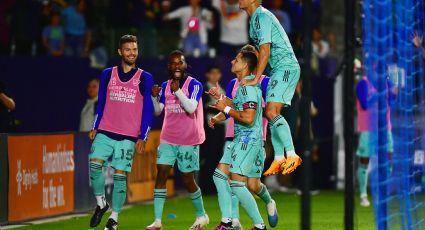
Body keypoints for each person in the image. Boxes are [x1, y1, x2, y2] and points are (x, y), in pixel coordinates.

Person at [88, 35, 154, 230]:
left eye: (134, 49)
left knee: (119, 176)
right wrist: (95, 125)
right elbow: (101, 102)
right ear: (120, 52)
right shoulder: (108, 74)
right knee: (94, 165)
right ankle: (101, 203)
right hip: (106, 130)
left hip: (128, 136)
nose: (132, 53)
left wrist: (143, 136)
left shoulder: (145, 77)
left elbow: (147, 110)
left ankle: (114, 218)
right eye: (128, 50)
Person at [207, 45, 277, 229]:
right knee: (219, 176)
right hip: (239, 139)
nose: (232, 61)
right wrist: (223, 99)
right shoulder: (242, 86)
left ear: (246, 64)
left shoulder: (251, 87)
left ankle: (258, 224)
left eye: (236, 59)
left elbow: (248, 117)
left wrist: (226, 108)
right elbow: (237, 106)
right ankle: (227, 222)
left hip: (248, 140)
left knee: (240, 185)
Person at [146, 50, 208, 230]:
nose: (176, 67)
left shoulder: (194, 85)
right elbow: (158, 111)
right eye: (173, 64)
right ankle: (157, 221)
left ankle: (201, 216)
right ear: (168, 67)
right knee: (162, 172)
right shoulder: (165, 85)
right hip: (168, 137)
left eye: (179, 63)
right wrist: (153, 97)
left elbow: (190, 108)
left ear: (185, 64)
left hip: (189, 139)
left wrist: (178, 91)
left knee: (188, 179)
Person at [239, 0, 302, 176]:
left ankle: (291, 154)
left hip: (285, 67)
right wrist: (256, 52)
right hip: (279, 68)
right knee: (272, 112)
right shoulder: (254, 20)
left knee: (272, 112)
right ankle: (279, 157)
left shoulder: (261, 16)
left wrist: (256, 78)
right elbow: (265, 52)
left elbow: (266, 51)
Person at [355, 75, 396, 207]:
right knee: (365, 160)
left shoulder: (388, 83)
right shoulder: (362, 83)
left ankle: (383, 193)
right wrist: (382, 96)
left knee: (388, 157)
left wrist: (393, 95)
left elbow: (392, 103)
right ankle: (363, 194)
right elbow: (365, 104)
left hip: (384, 127)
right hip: (367, 127)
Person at [199, 65, 225, 194]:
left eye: (217, 73)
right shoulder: (204, 90)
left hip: (220, 128)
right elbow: (203, 110)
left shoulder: (221, 89)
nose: (215, 76)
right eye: (212, 73)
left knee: (217, 157)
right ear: (208, 75)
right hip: (209, 128)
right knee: (209, 157)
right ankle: (205, 187)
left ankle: (214, 186)